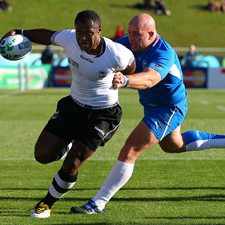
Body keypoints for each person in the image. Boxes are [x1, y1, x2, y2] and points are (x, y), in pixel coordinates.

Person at [71, 13, 225, 214]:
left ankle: (98, 202)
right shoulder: (127, 42)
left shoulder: (164, 53)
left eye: (137, 34)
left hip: (168, 108)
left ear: (151, 34)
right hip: (152, 105)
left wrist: (126, 80)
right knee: (173, 146)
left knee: (130, 150)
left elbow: (150, 79)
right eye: (130, 33)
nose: (131, 38)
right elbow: (105, 51)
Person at [1, 10, 135, 218]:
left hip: (104, 115)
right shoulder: (70, 38)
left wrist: (123, 78)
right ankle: (68, 144)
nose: (83, 37)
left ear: (99, 31)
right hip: (73, 106)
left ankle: (47, 203)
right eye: (79, 32)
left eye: (88, 33)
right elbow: (47, 36)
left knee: (73, 161)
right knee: (43, 155)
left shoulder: (117, 53)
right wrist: (20, 32)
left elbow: (131, 68)